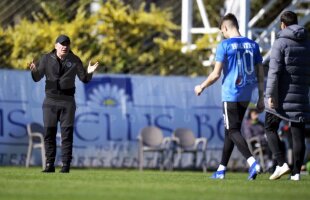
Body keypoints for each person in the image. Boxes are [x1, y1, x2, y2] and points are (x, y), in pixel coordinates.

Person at [194, 13, 264, 180]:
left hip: (231, 93)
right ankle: (221, 169)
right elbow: (261, 73)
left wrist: (201, 86)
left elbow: (216, 74)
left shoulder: (224, 45)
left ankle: (253, 162)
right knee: (230, 132)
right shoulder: (253, 45)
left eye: (222, 31)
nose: (223, 34)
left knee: (232, 130)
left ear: (225, 27)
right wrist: (261, 96)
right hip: (247, 93)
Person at [29, 35, 99, 173]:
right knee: (49, 133)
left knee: (67, 134)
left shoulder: (75, 60)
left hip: (68, 103)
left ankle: (66, 165)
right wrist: (33, 71)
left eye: (67, 44)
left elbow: (84, 79)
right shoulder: (46, 59)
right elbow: (37, 78)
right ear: (55, 46)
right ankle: (49, 164)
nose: (64, 46)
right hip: (50, 102)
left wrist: (89, 73)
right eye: (62, 44)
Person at [265, 11, 310, 181]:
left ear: (283, 25)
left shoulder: (280, 42)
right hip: (301, 95)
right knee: (297, 134)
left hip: (281, 97)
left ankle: (281, 163)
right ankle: (296, 174)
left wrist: (270, 94)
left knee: (269, 128)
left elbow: (274, 71)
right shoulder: (307, 43)